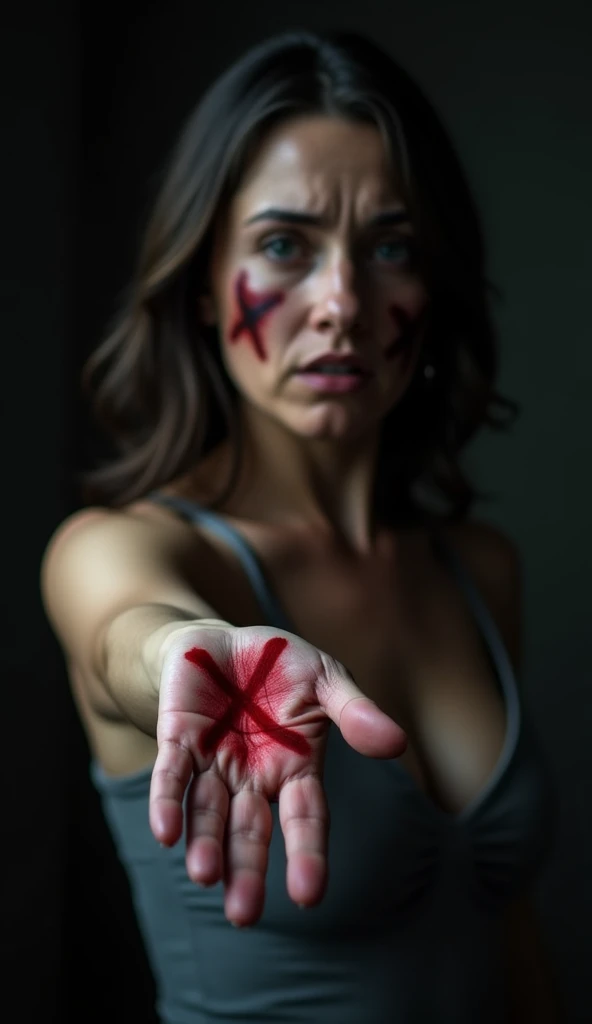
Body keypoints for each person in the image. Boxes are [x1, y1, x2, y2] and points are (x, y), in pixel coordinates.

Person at [40, 28, 562, 1024]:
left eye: (390, 247)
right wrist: (182, 651)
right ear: (201, 282)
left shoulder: (478, 572)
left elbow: (506, 931)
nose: (341, 303)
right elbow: (127, 634)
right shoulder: (122, 550)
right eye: (284, 245)